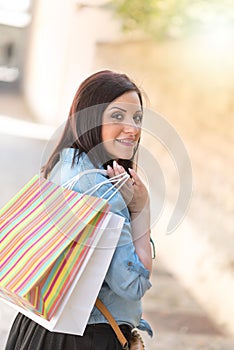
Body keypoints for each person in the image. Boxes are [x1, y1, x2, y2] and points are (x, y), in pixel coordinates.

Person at [5, 70, 153, 350]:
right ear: (90, 120)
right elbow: (132, 284)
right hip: (82, 336)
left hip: (37, 327)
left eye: (137, 118)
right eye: (118, 116)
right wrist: (141, 211)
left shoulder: (65, 164)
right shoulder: (100, 189)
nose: (132, 128)